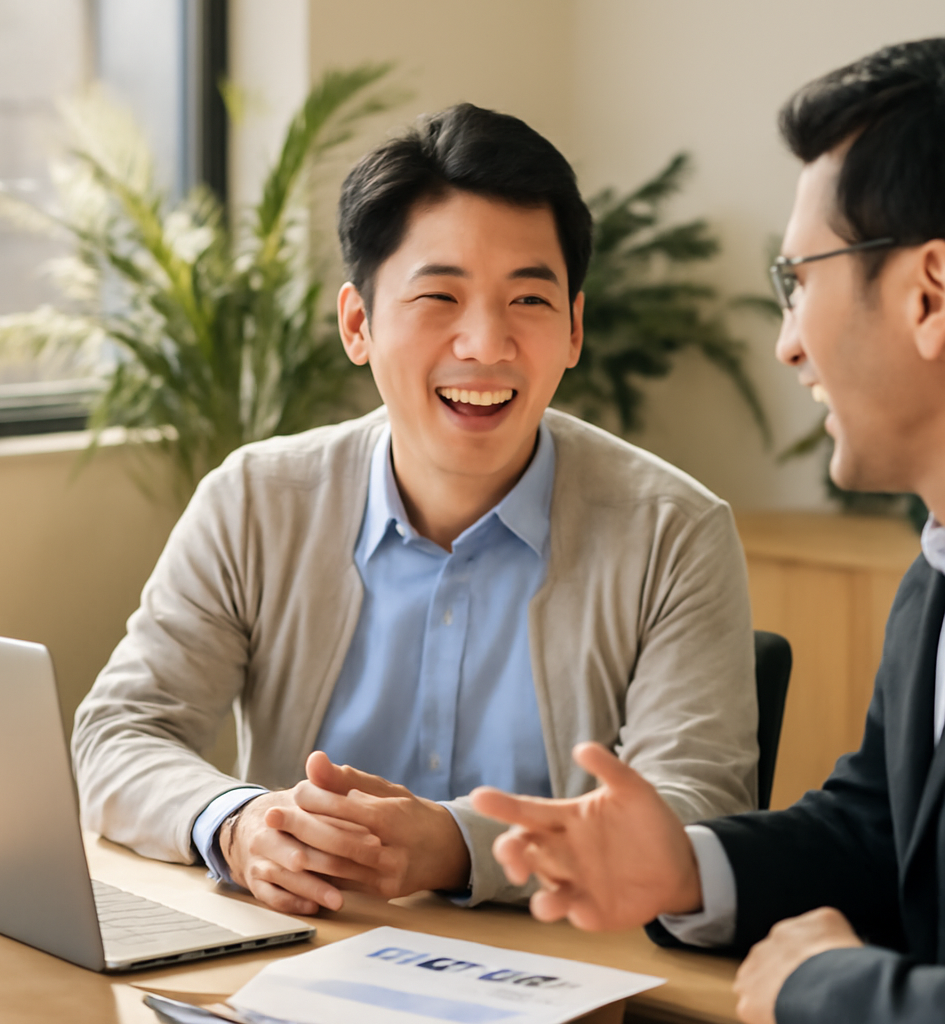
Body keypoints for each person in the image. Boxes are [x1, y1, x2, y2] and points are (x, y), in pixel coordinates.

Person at [72, 103, 757, 920]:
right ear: (358, 324)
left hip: (561, 976)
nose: (486, 344)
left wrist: (458, 847)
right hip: (304, 962)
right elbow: (118, 735)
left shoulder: (673, 532)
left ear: (574, 328)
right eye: (440, 297)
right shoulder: (255, 501)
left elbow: (697, 812)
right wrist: (238, 821)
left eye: (529, 303)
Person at [471, 38, 945, 1024]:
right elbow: (872, 832)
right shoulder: (934, 574)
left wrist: (830, 989)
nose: (785, 342)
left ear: (927, 294)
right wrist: (683, 866)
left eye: (797, 279)